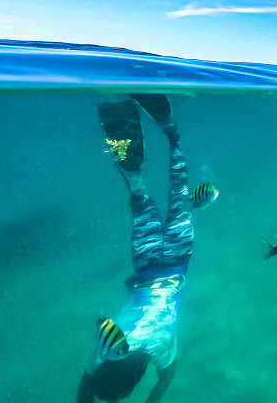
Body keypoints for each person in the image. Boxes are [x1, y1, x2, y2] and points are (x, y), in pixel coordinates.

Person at [77, 94, 194, 403]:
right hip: (146, 263)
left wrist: (152, 400)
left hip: (177, 261)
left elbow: (168, 374)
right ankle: (122, 124)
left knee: (179, 192)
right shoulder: (105, 352)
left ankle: (173, 137)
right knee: (140, 198)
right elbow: (86, 382)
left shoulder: (159, 346)